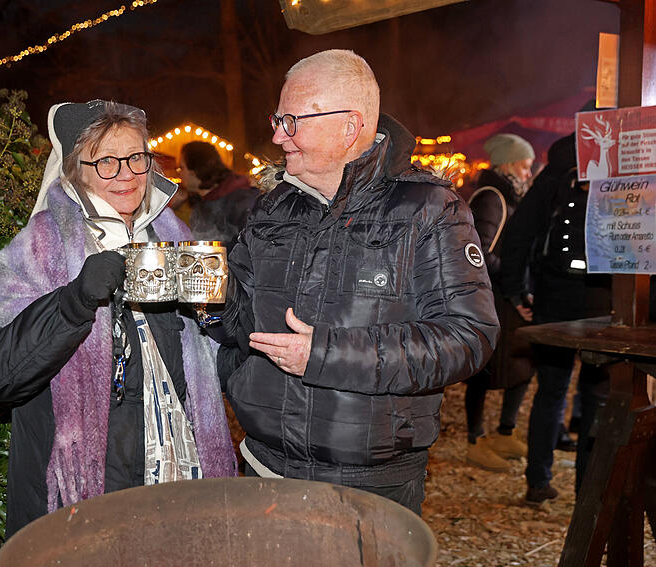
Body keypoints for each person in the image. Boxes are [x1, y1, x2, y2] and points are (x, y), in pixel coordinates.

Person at [214, 49, 499, 515]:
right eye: (277, 118)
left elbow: (470, 337)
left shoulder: (428, 210)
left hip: (369, 488)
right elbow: (240, 323)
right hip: (264, 467)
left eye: (291, 120)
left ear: (350, 126)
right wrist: (205, 298)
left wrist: (324, 355)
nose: (276, 135)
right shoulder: (273, 209)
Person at [0, 100, 237, 538]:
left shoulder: (173, 236)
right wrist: (74, 300)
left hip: (175, 473)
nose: (128, 175)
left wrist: (223, 316)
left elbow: (211, 361)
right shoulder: (42, 247)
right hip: (87, 489)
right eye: (107, 162)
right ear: (77, 169)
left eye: (136, 157)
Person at [500, 129, 611, 504]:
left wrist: (516, 290)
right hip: (608, 294)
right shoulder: (631, 166)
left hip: (555, 289)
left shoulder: (559, 165)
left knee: (551, 391)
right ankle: (588, 494)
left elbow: (518, 231)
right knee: (596, 396)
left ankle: (538, 482)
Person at [463, 133, 535, 471]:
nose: (528, 173)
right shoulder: (492, 197)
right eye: (524, 165)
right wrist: (513, 275)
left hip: (509, 293)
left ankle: (505, 432)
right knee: (484, 368)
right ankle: (474, 440)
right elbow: (480, 250)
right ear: (507, 163)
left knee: (521, 363)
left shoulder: (513, 195)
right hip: (492, 297)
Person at [178, 141, 259, 250]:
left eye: (182, 168)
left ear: (195, 170)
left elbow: (250, 248)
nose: (179, 173)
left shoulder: (242, 200)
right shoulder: (200, 203)